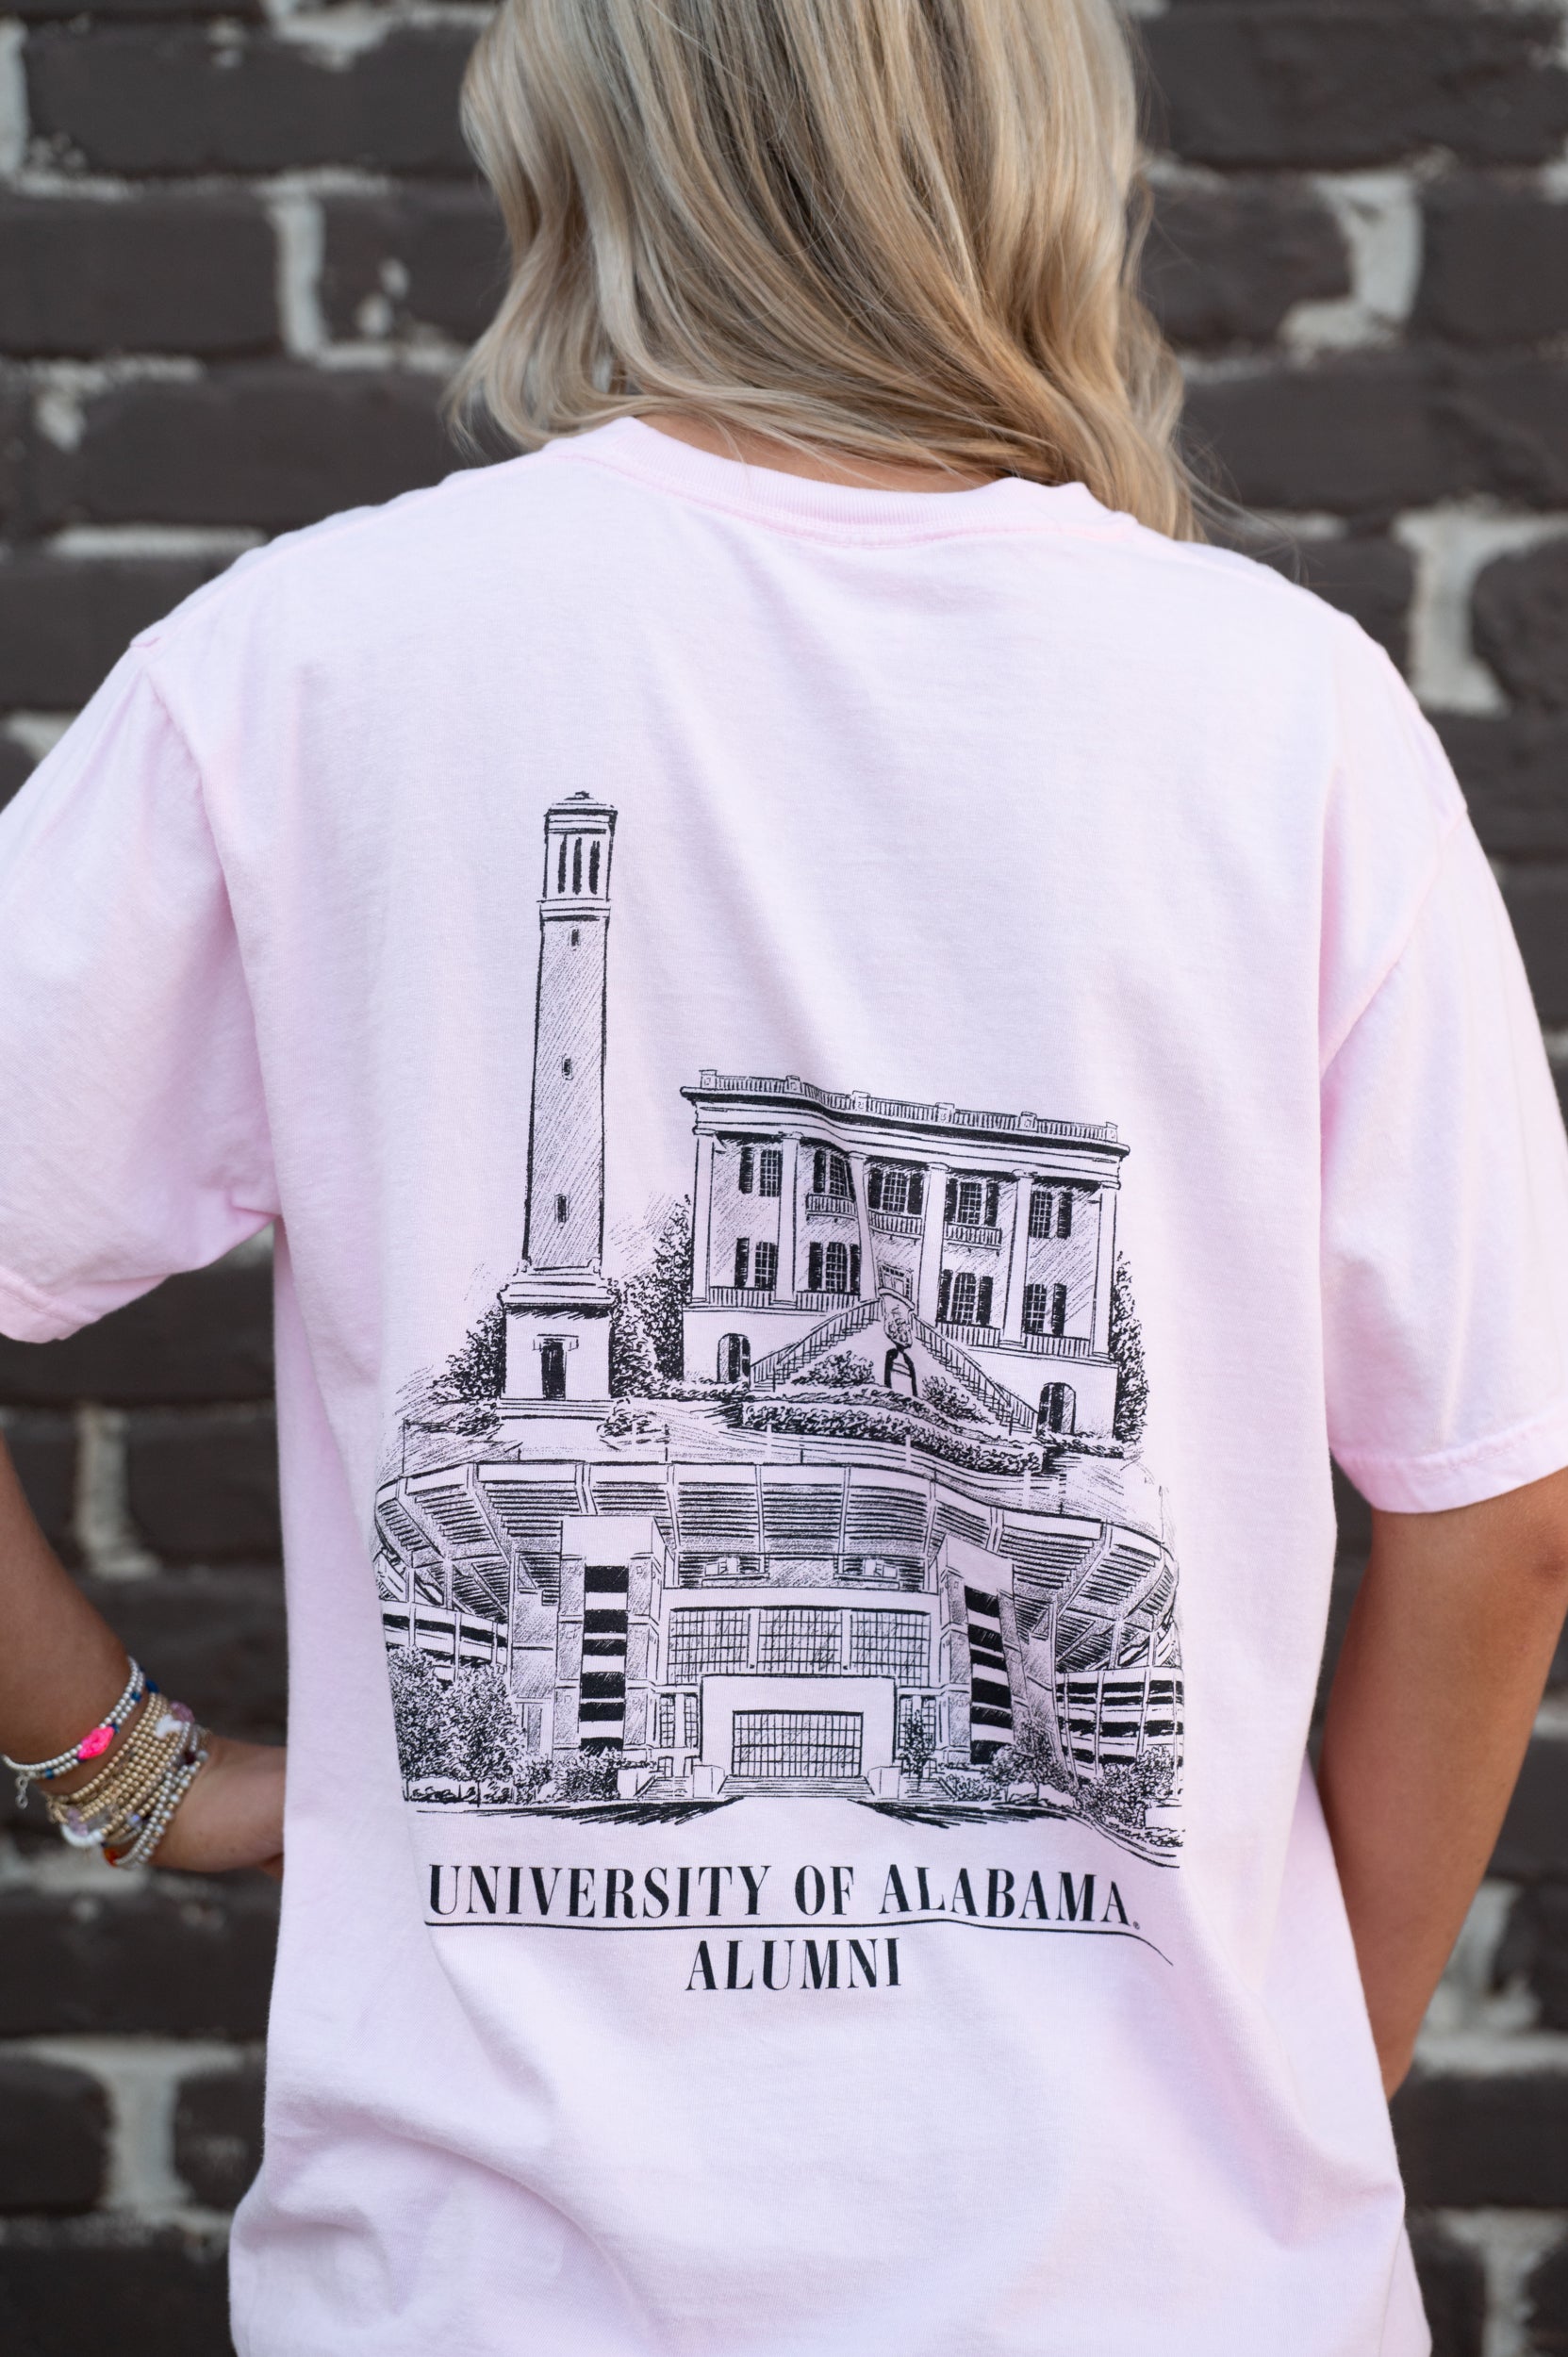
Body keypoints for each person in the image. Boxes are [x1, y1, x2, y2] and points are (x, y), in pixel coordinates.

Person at [2, 0, 1566, 2349]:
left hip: (483, 2289)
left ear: (582, 138)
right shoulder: (1289, 705)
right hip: (1147, 2290)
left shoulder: (299, 666)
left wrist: (123, 1773)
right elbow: (1495, 1509)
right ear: (1041, 151)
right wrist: (1286, 2100)